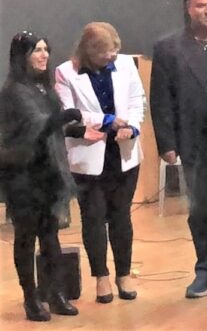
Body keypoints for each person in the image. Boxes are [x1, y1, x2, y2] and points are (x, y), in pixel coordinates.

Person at [150, 0, 207, 298]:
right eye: (201, 5)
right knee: (200, 209)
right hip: (193, 142)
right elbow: (160, 98)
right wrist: (166, 143)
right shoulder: (168, 47)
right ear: (188, 8)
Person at [55, 22, 145, 304]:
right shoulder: (65, 72)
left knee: (121, 216)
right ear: (89, 51)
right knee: (93, 217)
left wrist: (132, 126)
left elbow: (137, 100)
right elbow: (70, 113)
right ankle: (101, 276)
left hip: (123, 152)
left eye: (114, 49)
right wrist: (105, 120)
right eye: (105, 52)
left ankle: (124, 274)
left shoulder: (126, 65)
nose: (111, 56)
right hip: (88, 155)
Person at [0, 31, 80, 321]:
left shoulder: (44, 88)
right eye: (37, 50)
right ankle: (30, 298)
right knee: (26, 238)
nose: (44, 55)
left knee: (50, 236)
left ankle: (55, 293)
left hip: (47, 173)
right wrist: (66, 117)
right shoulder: (14, 91)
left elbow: (52, 128)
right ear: (22, 56)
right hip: (22, 175)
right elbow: (37, 126)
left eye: (46, 49)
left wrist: (79, 129)